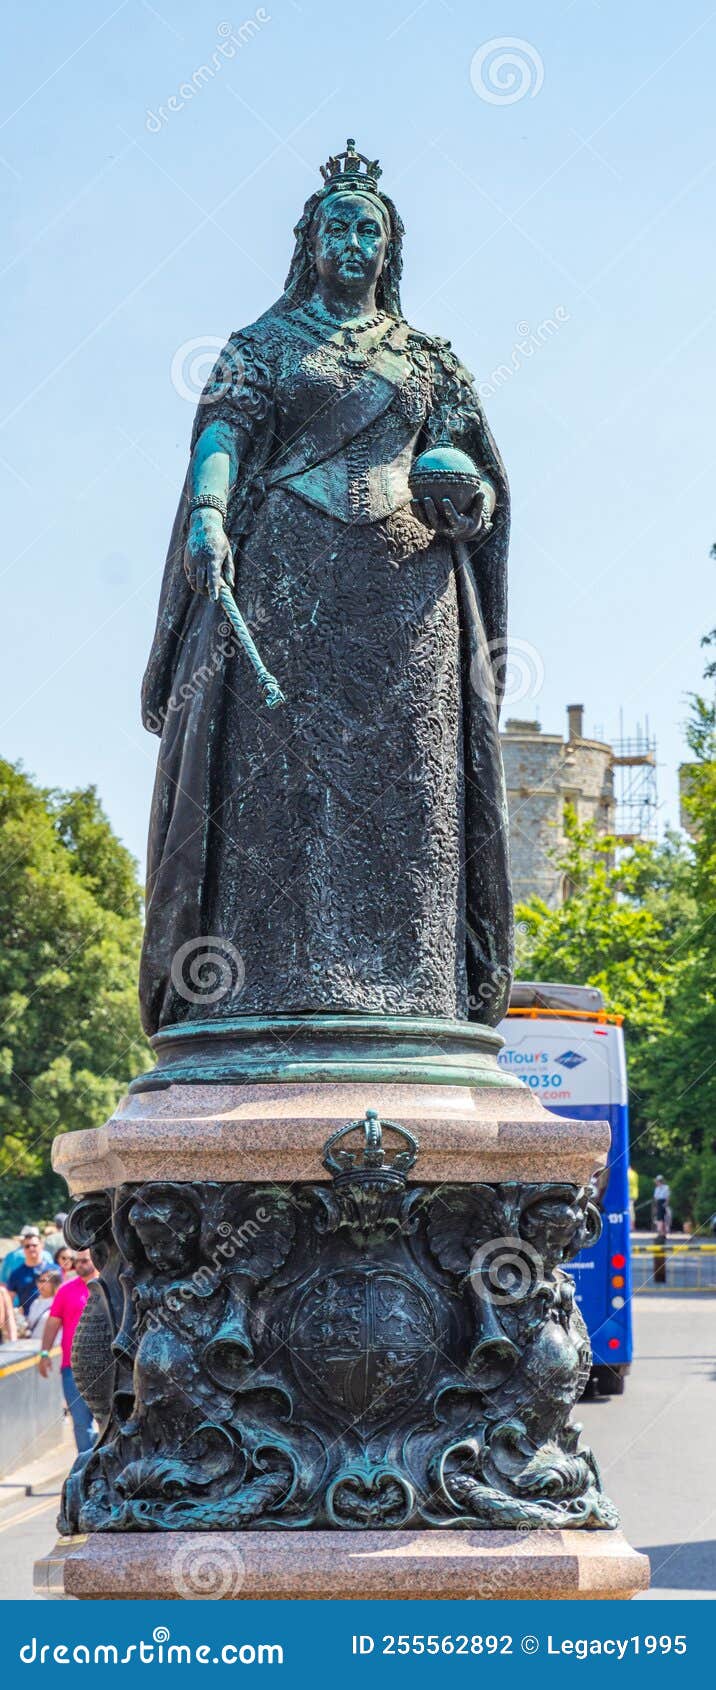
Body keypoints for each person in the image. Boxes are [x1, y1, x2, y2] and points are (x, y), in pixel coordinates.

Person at [140, 139, 513, 1038]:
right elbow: (221, 435)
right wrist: (208, 512)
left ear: (390, 250)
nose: (354, 242)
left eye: (369, 231)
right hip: (284, 588)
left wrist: (472, 497)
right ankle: (256, 995)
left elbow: (487, 488)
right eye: (338, 226)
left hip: (409, 607)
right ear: (312, 241)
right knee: (278, 794)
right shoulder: (262, 345)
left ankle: (416, 998)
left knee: (410, 795)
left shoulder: (429, 360)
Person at [38, 1248, 98, 1452]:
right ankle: (86, 1471)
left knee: (109, 1422)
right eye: (76, 1261)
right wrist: (44, 1353)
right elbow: (53, 1324)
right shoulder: (66, 1290)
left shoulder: (107, 1286)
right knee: (81, 1423)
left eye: (84, 1261)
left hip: (105, 1366)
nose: (79, 1265)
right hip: (72, 1367)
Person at [5, 1228, 53, 1319]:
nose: (31, 1248)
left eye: (34, 1245)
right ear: (23, 1248)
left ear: (41, 1245)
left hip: (51, 1319)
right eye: (27, 1246)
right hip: (27, 1322)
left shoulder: (54, 1270)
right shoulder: (16, 1274)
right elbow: (8, 1302)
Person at [26, 1267, 62, 1339]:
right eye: (39, 1280)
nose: (40, 1284)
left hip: (55, 1347)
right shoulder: (35, 1303)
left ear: (55, 1283)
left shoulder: (61, 1301)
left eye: (44, 1281)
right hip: (34, 1345)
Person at [652, 1174, 671, 1239]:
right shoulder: (656, 1188)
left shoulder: (666, 1187)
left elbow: (668, 1196)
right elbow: (655, 1198)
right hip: (659, 1203)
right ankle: (660, 1233)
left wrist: (666, 1203)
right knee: (659, 1218)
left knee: (664, 1219)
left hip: (663, 1203)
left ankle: (663, 1233)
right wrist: (655, 1206)